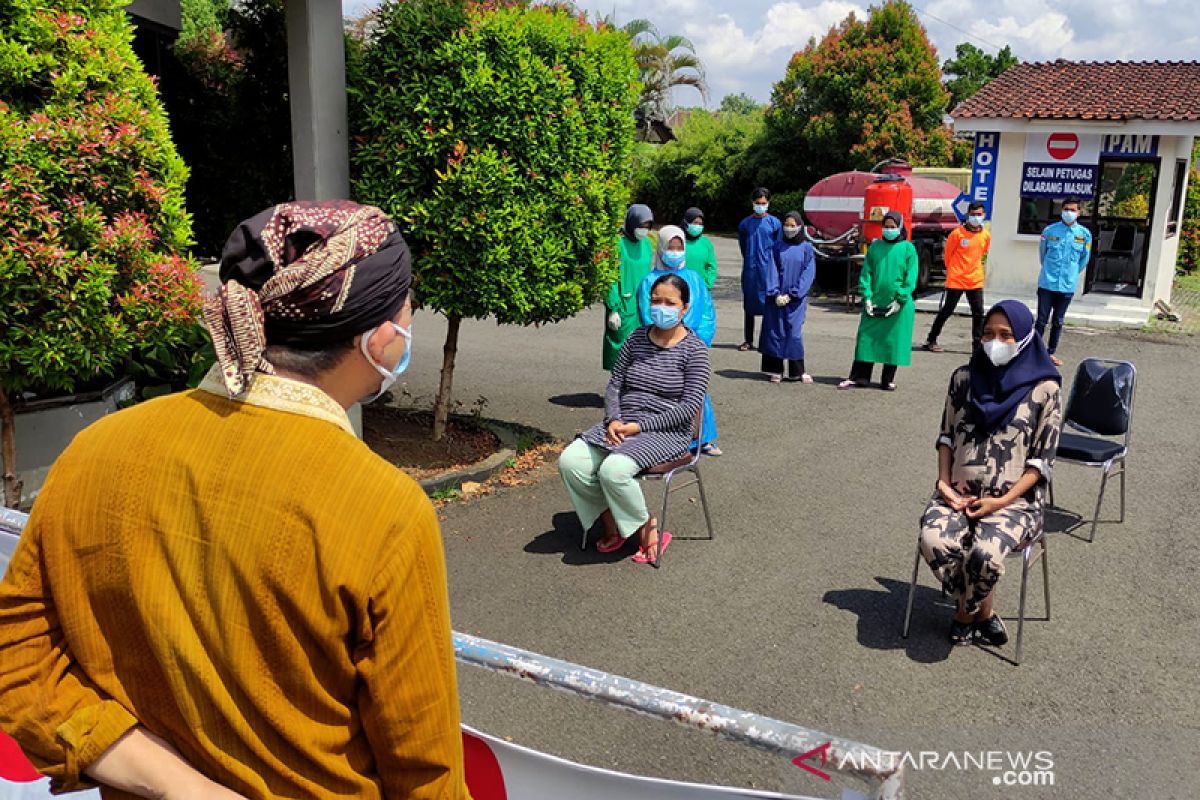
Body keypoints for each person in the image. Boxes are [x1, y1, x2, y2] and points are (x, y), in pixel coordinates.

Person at [0, 201, 470, 798]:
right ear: (378, 339)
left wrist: (173, 784)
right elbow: (425, 772)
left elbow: (18, 659)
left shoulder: (94, 450)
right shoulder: (385, 510)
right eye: (407, 313)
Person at [918, 300, 1061, 646]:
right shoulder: (963, 379)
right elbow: (946, 437)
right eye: (988, 333)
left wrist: (999, 504)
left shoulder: (1046, 390)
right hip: (956, 494)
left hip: (1015, 502)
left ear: (1026, 338)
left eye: (1006, 335)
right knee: (933, 540)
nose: (995, 341)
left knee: (984, 554)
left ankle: (964, 613)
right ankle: (982, 611)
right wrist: (942, 483)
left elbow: (1041, 464)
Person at [560, 273, 710, 565]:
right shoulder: (637, 337)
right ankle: (613, 523)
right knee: (570, 462)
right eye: (656, 300)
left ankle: (647, 527)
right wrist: (613, 419)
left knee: (613, 470)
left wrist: (640, 427)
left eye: (670, 302)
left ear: (685, 308)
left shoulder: (696, 351)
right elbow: (615, 384)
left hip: (667, 432)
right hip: (623, 424)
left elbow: (689, 407)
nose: (661, 307)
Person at [636, 225, 721, 456]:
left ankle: (704, 438)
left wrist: (699, 340)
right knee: (660, 390)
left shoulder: (694, 278)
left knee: (695, 391)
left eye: (679, 247)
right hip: (659, 344)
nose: (674, 252)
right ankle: (663, 438)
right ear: (661, 248)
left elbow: (706, 313)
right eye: (670, 247)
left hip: (690, 345)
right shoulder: (649, 281)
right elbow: (647, 313)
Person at [838, 211, 918, 391]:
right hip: (874, 301)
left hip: (899, 305)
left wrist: (900, 299)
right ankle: (859, 377)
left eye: (893, 227)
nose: (889, 230)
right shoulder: (875, 247)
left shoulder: (908, 248)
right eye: (886, 226)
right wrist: (866, 296)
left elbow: (911, 277)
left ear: (900, 227)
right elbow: (866, 273)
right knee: (866, 338)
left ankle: (887, 379)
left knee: (893, 341)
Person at [924, 201, 991, 353]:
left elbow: (983, 254)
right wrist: (954, 271)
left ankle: (977, 346)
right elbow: (947, 256)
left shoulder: (985, 235)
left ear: (984, 215)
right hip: (957, 279)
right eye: (973, 215)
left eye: (979, 215)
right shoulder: (957, 234)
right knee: (947, 310)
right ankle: (931, 339)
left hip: (975, 280)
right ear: (968, 215)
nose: (976, 218)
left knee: (978, 313)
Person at [760, 211, 816, 384]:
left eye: (793, 225)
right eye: (786, 225)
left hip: (796, 300)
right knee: (774, 331)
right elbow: (771, 270)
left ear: (800, 227)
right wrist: (775, 293)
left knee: (794, 332)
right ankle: (775, 369)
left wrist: (793, 294)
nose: (789, 228)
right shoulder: (777, 247)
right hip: (775, 298)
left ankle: (797, 370)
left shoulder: (806, 248)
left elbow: (808, 273)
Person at [1036, 197, 1092, 366]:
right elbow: (1042, 255)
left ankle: (1050, 353)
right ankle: (1034, 351)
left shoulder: (1084, 235)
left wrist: (1071, 274)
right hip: (1047, 283)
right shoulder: (1049, 231)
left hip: (1067, 285)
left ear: (1079, 212)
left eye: (1073, 210)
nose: (1069, 213)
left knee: (1058, 321)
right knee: (1041, 320)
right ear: (1061, 211)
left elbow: (1083, 260)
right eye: (1066, 209)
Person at [604, 204, 655, 370]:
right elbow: (609, 277)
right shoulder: (617, 244)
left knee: (642, 349)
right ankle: (617, 388)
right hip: (623, 305)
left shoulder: (647, 245)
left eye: (647, 226)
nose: (644, 230)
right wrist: (613, 307)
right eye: (641, 226)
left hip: (642, 305)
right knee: (620, 348)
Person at [736, 188, 780, 351]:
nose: (761, 206)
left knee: (769, 303)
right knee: (749, 304)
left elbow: (778, 246)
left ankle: (768, 339)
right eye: (758, 203)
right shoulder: (745, 224)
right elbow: (743, 245)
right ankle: (748, 340)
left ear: (768, 203)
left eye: (764, 203)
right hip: (750, 269)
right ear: (752, 203)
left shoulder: (774, 223)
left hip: (769, 269)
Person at [682, 207, 718, 290]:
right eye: (695, 223)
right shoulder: (678, 241)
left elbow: (712, 267)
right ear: (686, 223)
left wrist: (707, 284)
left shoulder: (706, 243)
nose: (697, 226)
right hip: (680, 288)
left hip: (701, 288)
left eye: (700, 224)